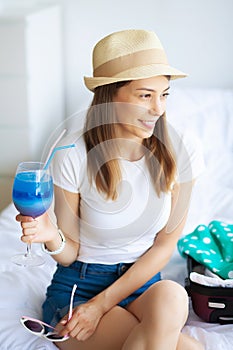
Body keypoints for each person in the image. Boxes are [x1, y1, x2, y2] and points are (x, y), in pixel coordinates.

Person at [16, 29, 205, 350]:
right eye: (145, 95)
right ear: (109, 95)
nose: (158, 108)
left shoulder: (181, 148)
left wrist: (101, 307)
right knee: (188, 349)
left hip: (144, 283)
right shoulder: (72, 153)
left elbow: (165, 245)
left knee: (173, 295)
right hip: (79, 285)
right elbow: (69, 253)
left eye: (164, 94)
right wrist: (50, 235)